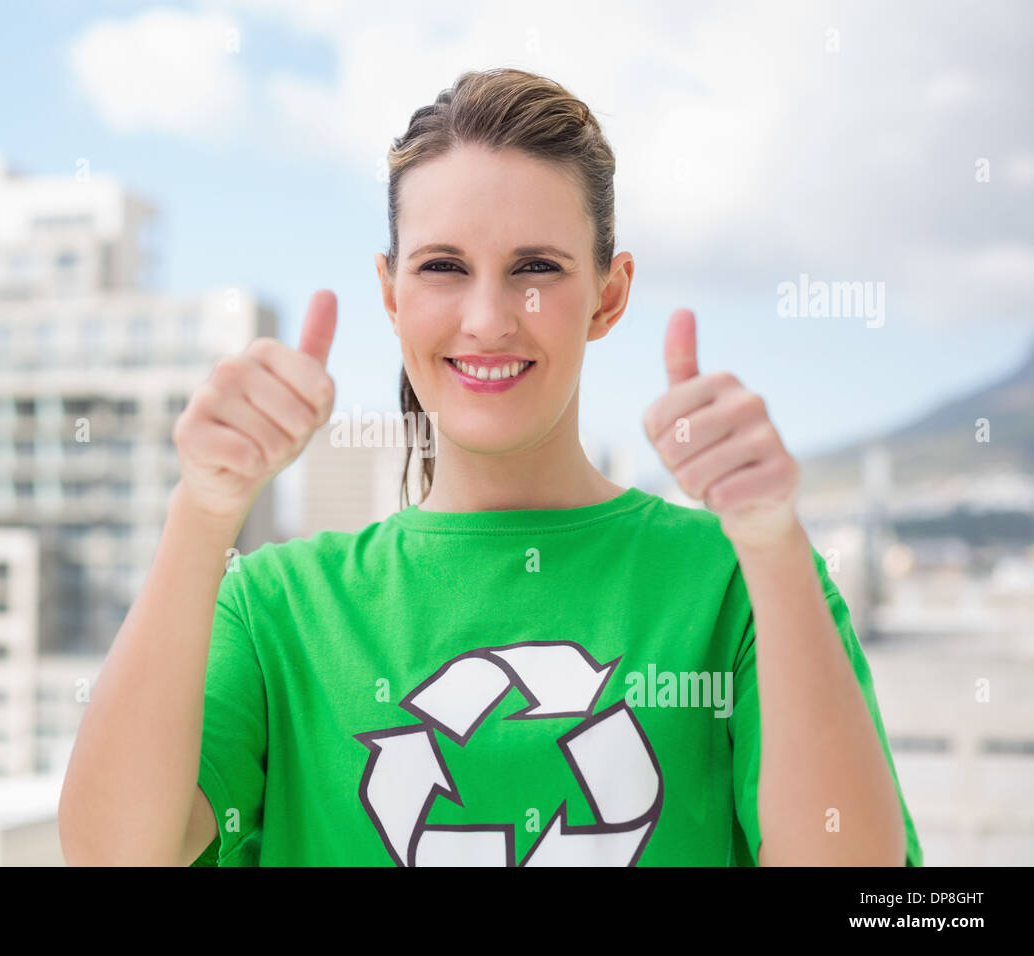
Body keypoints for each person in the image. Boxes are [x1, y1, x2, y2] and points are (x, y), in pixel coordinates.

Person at [58, 67, 923, 867]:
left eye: (536, 269)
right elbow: (113, 854)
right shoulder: (276, 608)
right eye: (443, 268)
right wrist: (203, 512)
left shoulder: (739, 583)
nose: (488, 319)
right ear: (390, 293)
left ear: (608, 295)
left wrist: (773, 546)